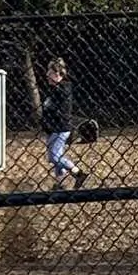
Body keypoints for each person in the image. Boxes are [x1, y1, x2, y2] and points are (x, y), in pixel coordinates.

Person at [38, 56, 83, 190]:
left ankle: (78, 172)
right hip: (53, 128)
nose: (47, 75)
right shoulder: (54, 89)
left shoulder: (63, 89)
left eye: (50, 72)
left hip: (61, 128)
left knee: (53, 157)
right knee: (57, 156)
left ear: (57, 74)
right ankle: (60, 183)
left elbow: (58, 108)